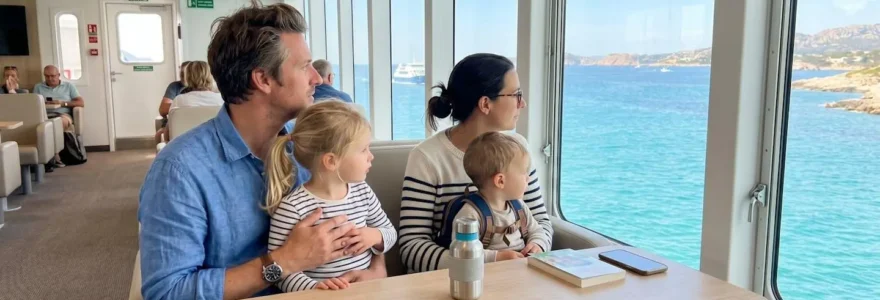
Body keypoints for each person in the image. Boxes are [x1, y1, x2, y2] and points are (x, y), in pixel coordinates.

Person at [138, 2, 386, 299]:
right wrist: (285, 261)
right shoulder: (180, 170)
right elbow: (167, 293)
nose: (317, 79)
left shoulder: (319, 142)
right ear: (263, 79)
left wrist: (377, 269)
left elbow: (365, 218)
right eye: (304, 66)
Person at [398, 53, 553, 273]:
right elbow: (412, 249)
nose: (523, 103)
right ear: (485, 103)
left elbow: (540, 222)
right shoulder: (427, 157)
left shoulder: (519, 148)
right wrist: (484, 262)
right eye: (517, 95)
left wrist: (537, 248)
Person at [265, 100, 396, 292]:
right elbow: (281, 272)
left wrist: (374, 235)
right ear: (331, 161)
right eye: (363, 150)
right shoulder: (293, 208)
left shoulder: (363, 191)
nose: (371, 156)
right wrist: (315, 287)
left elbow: (389, 232)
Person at [436, 132, 546, 259]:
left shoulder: (519, 207)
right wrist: (497, 257)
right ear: (500, 181)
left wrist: (537, 244)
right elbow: (464, 254)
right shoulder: (470, 215)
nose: (528, 177)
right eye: (523, 172)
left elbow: (537, 231)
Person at [33, 65, 84, 132]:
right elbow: (33, 104)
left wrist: (63, 103)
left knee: (59, 124)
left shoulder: (68, 86)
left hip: (63, 115)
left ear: (58, 75)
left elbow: (81, 102)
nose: (50, 79)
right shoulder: (38, 87)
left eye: (53, 76)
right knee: (39, 126)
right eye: (47, 76)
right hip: (44, 115)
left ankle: (56, 142)